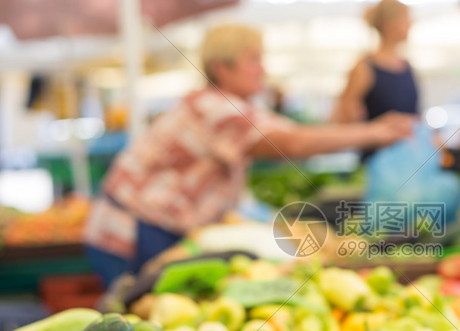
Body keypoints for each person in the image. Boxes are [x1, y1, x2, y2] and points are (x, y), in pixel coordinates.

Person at [84, 24, 412, 286]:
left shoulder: (235, 107)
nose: (262, 69)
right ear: (222, 68)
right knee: (139, 319)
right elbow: (292, 143)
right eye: (253, 60)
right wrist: (374, 132)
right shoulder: (212, 108)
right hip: (132, 232)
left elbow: (297, 133)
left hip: (162, 228)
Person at [331, 0, 419, 160]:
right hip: (376, 161)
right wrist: (365, 124)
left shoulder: (407, 66)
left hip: (408, 158)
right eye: (406, 19)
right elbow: (342, 121)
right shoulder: (364, 68)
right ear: (389, 24)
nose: (411, 23)